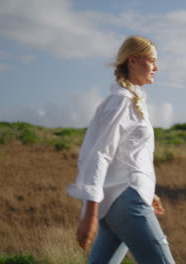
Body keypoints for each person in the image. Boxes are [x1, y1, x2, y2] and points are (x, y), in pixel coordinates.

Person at [67, 35, 175, 264]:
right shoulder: (120, 102)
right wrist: (90, 213)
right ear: (133, 61)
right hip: (126, 204)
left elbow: (128, 157)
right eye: (152, 60)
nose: (156, 67)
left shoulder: (131, 101)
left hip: (119, 203)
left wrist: (148, 191)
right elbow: (99, 154)